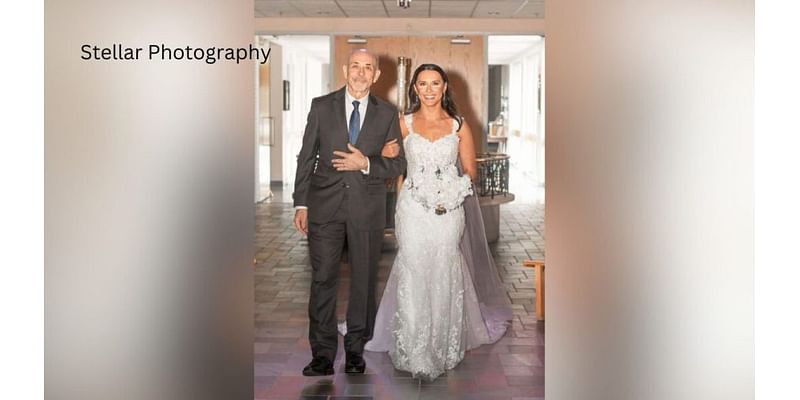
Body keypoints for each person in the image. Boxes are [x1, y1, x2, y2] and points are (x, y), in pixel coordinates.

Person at [361, 64, 512, 380]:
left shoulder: (458, 125)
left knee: (443, 269)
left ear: (445, 87)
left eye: (435, 83)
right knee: (414, 269)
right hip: (412, 209)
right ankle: (414, 350)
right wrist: (385, 155)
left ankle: (442, 347)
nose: (429, 89)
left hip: (448, 210)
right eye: (422, 84)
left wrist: (452, 188)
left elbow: (470, 171)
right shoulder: (403, 123)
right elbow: (385, 158)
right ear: (415, 88)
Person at [292, 49, 407, 376]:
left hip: (366, 209)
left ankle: (356, 348)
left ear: (376, 76)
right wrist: (301, 202)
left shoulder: (386, 113)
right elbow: (306, 157)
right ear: (346, 70)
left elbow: (398, 163)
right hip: (323, 207)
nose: (360, 72)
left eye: (367, 67)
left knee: (364, 282)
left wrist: (367, 163)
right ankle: (322, 354)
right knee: (323, 279)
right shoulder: (321, 106)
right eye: (355, 66)